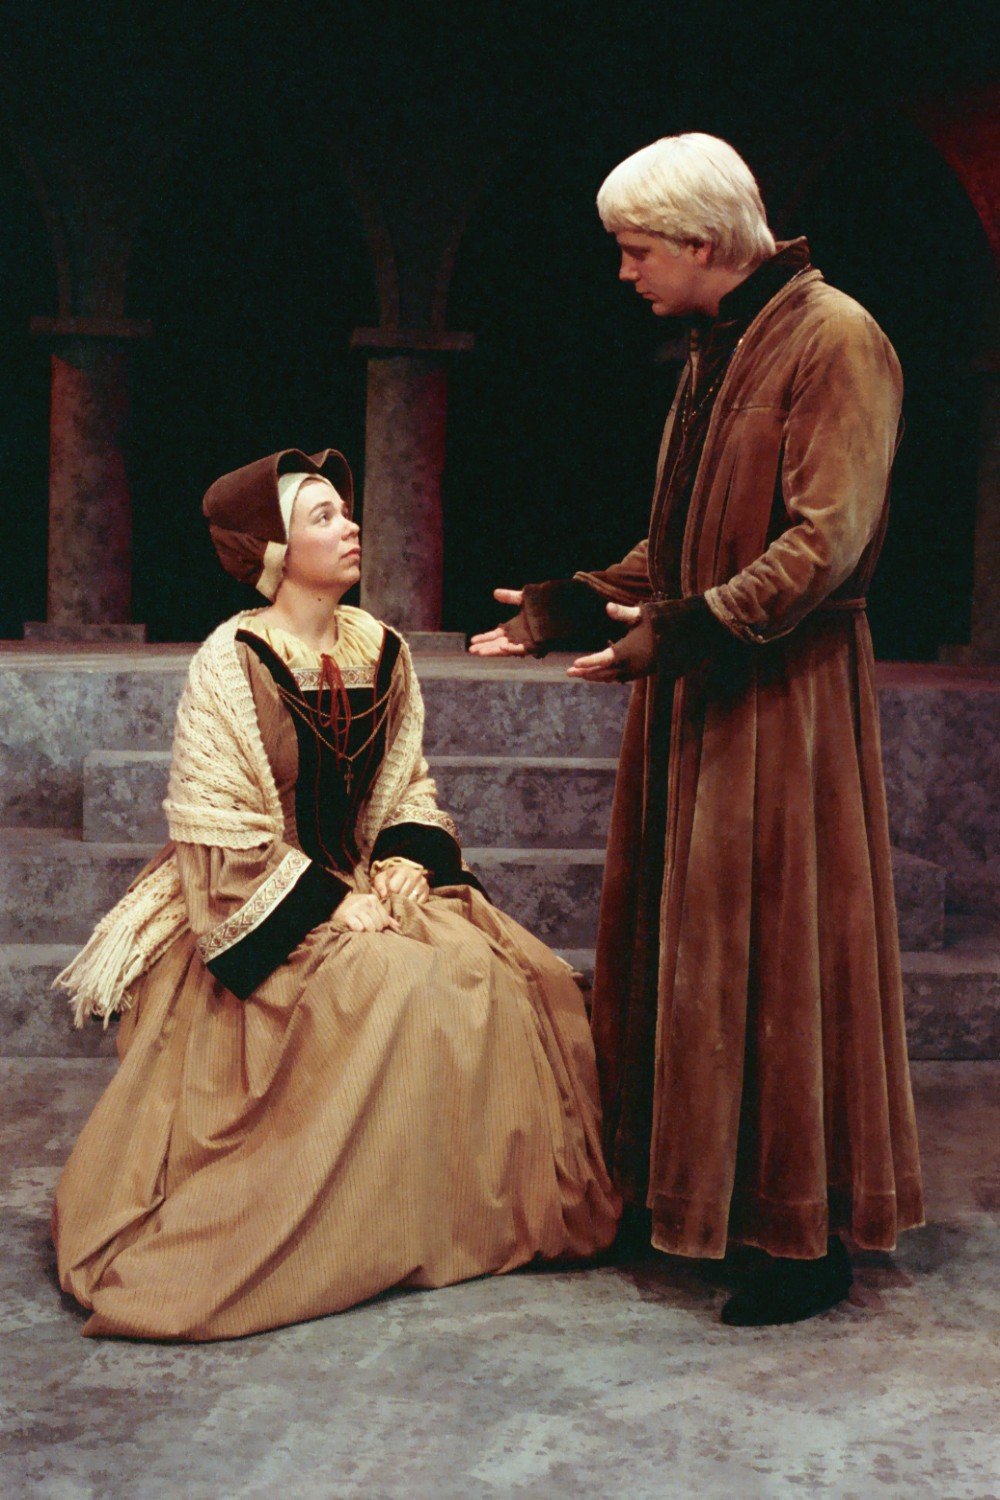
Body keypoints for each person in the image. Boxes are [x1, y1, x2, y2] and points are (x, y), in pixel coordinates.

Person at [470, 133, 924, 1325]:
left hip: (784, 696)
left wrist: (677, 633)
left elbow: (821, 542)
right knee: (694, 949)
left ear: (702, 240)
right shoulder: (714, 348)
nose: (624, 272)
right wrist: (563, 604)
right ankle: (692, 1196)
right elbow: (680, 537)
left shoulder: (833, 338)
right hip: (709, 687)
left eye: (636, 250)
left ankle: (795, 1236)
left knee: (772, 951)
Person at [52, 447, 620, 1341]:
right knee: (393, 987)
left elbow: (405, 785)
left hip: (365, 878)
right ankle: (343, 1227)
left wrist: (402, 861)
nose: (349, 525)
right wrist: (326, 901)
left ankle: (442, 1215)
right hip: (261, 896)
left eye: (345, 513)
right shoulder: (230, 660)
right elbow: (221, 828)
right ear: (276, 551)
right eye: (322, 516)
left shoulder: (381, 647)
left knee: (515, 979)